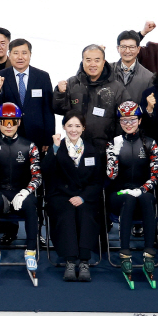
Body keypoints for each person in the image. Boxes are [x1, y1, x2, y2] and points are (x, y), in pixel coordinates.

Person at [0, 102, 42, 276]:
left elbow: (37, 176)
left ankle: (30, 252)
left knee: (31, 204)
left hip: (22, 191)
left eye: (12, 122)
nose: (8, 126)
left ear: (18, 122)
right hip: (0, 190)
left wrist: (26, 191)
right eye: (4, 122)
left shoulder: (30, 146)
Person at [43, 112, 104, 282]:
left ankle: (84, 260)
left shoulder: (92, 150)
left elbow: (97, 182)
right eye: (69, 125)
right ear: (63, 127)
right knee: (67, 213)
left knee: (86, 213)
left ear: (83, 128)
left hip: (85, 196)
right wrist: (53, 149)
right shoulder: (57, 147)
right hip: (61, 195)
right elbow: (46, 173)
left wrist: (83, 197)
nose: (73, 129)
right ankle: (70, 261)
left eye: (77, 126)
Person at [106, 101, 158, 284]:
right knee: (128, 199)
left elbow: (155, 176)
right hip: (119, 195)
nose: (128, 124)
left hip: (142, 192)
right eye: (124, 121)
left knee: (146, 199)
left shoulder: (150, 144)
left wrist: (141, 189)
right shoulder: (113, 143)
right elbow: (111, 177)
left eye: (132, 120)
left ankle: (149, 253)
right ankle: (125, 252)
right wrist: (113, 155)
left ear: (140, 120)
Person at [0, 39, 55, 149]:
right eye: (16, 53)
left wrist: (49, 138)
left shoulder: (42, 77)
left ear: (30, 54)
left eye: (24, 53)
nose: (20, 57)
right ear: (9, 55)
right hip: (9, 135)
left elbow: (48, 110)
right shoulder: (1, 76)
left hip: (37, 135)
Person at [54, 44, 119, 152]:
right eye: (88, 60)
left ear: (104, 62)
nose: (92, 64)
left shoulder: (116, 87)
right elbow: (59, 110)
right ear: (82, 61)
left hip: (104, 149)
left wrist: (114, 144)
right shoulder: (72, 83)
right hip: (75, 146)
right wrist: (59, 93)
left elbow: (122, 119)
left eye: (97, 60)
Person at [110, 30, 154, 107]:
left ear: (138, 49)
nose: (127, 51)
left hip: (136, 118)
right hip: (110, 118)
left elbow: (149, 107)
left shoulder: (149, 77)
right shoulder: (108, 70)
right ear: (118, 48)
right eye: (123, 47)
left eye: (132, 47)